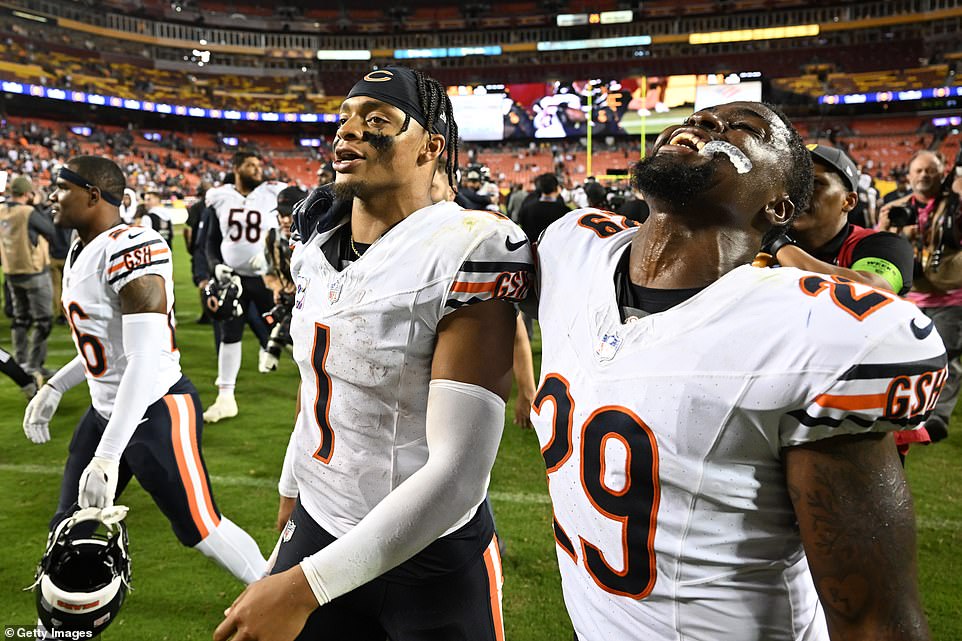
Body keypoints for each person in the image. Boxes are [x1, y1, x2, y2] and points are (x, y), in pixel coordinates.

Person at [529, 102, 942, 641]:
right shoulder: (574, 247)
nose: (705, 125)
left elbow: (874, 620)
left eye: (744, 128)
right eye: (701, 117)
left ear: (779, 205)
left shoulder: (807, 330)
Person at [214, 66, 533, 641]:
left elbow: (460, 473)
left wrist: (306, 584)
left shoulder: (469, 246)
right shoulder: (313, 245)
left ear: (431, 147)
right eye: (344, 120)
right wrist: (294, 490)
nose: (349, 131)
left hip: (431, 554)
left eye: (377, 120)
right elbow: (317, 387)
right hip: (319, 519)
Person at [22, 156, 267, 603]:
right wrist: (56, 385)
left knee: (201, 528)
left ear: (93, 195)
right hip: (105, 410)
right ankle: (57, 627)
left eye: (61, 188)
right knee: (68, 527)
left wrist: (109, 454)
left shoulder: (131, 247)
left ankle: (282, 600)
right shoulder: (81, 248)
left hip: (156, 409)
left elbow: (143, 358)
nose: (51, 196)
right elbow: (104, 348)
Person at [878, 149, 962, 441]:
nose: (924, 175)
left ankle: (937, 419)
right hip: (911, 296)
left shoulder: (956, 206)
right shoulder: (897, 206)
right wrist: (885, 227)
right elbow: (881, 246)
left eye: (931, 170)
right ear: (909, 175)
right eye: (919, 170)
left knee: (947, 357)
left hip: (951, 294)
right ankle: (910, 412)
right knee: (907, 357)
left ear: (942, 174)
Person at [203, 152, 287, 422]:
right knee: (230, 335)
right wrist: (215, 264)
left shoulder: (272, 193)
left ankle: (316, 386)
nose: (257, 169)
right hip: (234, 278)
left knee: (292, 328)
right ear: (237, 168)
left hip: (266, 277)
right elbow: (210, 239)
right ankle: (225, 397)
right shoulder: (219, 197)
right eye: (251, 165)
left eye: (259, 164)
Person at [0, 175, 56, 379]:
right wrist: (39, 205)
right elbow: (50, 229)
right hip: (34, 273)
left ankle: (21, 361)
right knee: (44, 320)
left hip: (11, 272)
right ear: (27, 193)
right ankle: (33, 365)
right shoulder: (28, 211)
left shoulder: (1, 210)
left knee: (20, 319)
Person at [258, 185, 306, 373]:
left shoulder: (317, 238)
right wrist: (278, 288)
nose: (285, 220)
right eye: (281, 214)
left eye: (289, 214)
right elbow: (268, 273)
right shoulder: (272, 238)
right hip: (291, 303)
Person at [518, 172, 570, 246]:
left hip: (533, 252)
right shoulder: (565, 211)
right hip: (555, 252)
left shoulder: (527, 209)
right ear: (557, 188)